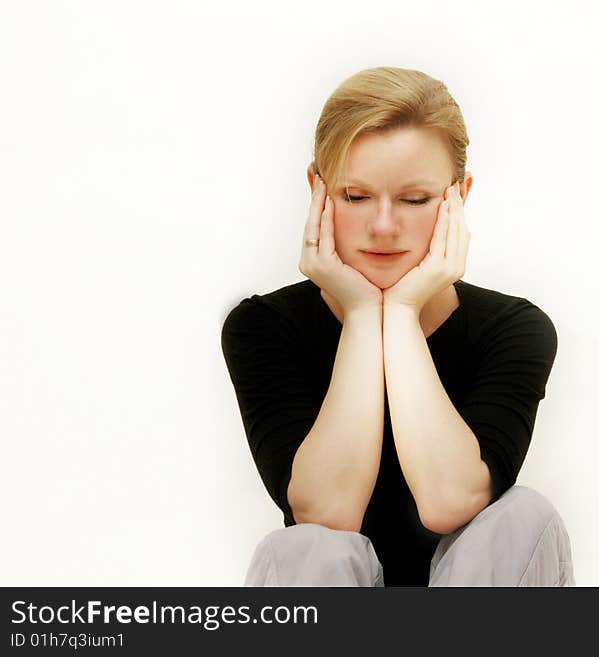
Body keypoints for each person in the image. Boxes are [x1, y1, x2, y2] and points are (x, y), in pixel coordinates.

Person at [221, 66, 575, 586]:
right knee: (306, 545)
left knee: (523, 515)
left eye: (414, 200)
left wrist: (403, 312)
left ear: (459, 195)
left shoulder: (515, 328)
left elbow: (449, 500)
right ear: (317, 190)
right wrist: (365, 314)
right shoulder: (264, 327)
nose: (384, 227)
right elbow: (329, 511)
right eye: (355, 196)